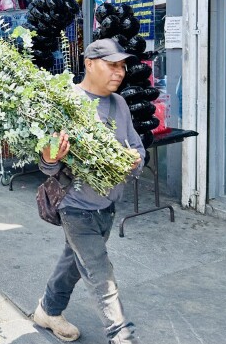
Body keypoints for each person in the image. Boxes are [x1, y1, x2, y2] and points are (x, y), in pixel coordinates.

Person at [33, 39, 145, 344]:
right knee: (100, 273)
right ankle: (122, 336)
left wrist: (136, 159)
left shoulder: (119, 104)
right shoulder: (66, 102)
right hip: (76, 205)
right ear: (90, 64)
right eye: (112, 65)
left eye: (122, 66)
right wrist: (49, 157)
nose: (120, 72)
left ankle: (48, 310)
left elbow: (136, 146)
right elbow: (47, 164)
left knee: (74, 261)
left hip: (107, 205)